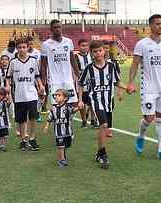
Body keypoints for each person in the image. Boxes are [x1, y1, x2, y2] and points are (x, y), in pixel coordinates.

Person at [126, 14, 161, 161]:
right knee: (149, 118)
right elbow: (135, 64)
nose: (160, 26)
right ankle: (141, 136)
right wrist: (130, 82)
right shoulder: (142, 44)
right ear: (151, 26)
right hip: (148, 88)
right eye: (157, 24)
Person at [77, 40, 126, 169]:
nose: (98, 53)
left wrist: (127, 88)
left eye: (100, 51)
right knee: (103, 125)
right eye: (95, 52)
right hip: (96, 101)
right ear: (91, 54)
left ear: (104, 51)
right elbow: (81, 84)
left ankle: (99, 152)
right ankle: (103, 154)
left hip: (108, 102)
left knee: (104, 128)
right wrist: (80, 100)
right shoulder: (89, 68)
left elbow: (116, 82)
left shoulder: (110, 66)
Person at [6, 38, 45, 151]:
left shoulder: (33, 60)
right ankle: (23, 140)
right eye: (19, 48)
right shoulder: (13, 62)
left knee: (33, 117)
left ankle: (32, 139)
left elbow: (37, 75)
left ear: (28, 47)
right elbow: (8, 77)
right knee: (21, 119)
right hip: (19, 94)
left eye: (24, 47)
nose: (22, 50)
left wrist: (41, 85)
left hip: (32, 94)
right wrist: (8, 86)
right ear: (16, 49)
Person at [40, 19, 80, 107]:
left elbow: (72, 60)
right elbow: (43, 65)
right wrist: (43, 81)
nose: (57, 29)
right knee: (57, 104)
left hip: (68, 78)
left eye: (59, 27)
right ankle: (58, 119)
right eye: (55, 27)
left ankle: (67, 120)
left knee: (71, 102)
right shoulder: (46, 44)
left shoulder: (68, 42)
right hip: (54, 80)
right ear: (51, 29)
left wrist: (78, 74)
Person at [43, 89, 78, 167]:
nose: (56, 97)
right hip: (58, 132)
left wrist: (79, 107)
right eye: (56, 95)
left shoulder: (67, 107)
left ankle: (63, 154)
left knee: (66, 144)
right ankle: (61, 160)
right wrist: (46, 126)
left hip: (67, 131)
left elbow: (73, 110)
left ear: (65, 98)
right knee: (60, 145)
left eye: (59, 95)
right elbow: (50, 119)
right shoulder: (53, 109)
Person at [75, 38, 95, 128]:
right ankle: (83, 120)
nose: (85, 47)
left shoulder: (91, 55)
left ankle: (93, 119)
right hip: (81, 83)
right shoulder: (76, 57)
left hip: (91, 82)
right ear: (79, 46)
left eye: (86, 45)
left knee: (93, 102)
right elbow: (76, 70)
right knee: (82, 103)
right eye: (83, 45)